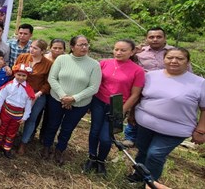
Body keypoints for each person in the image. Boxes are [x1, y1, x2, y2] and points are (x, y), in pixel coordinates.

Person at [127, 48, 205, 183]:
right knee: (143, 150)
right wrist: (132, 114)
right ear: (164, 60)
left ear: (188, 62)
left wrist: (201, 130)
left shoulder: (199, 83)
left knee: (155, 154)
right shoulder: (151, 76)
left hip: (175, 129)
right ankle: (138, 175)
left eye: (179, 58)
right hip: (145, 124)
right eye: (170, 58)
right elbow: (139, 97)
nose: (174, 61)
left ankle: (150, 182)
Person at [84, 39, 145, 176]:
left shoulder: (138, 71)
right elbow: (94, 83)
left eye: (123, 50)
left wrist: (121, 110)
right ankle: (91, 157)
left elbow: (135, 95)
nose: (118, 52)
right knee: (94, 131)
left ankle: (101, 161)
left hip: (117, 106)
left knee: (106, 137)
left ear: (132, 52)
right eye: (116, 49)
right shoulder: (104, 63)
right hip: (98, 101)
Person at [43, 35, 102, 165]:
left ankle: (60, 150)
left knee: (67, 128)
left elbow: (94, 87)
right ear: (72, 46)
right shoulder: (62, 59)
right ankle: (47, 146)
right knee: (52, 124)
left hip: (79, 104)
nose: (84, 47)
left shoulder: (94, 65)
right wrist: (63, 96)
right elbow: (52, 78)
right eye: (81, 45)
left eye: (86, 44)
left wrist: (74, 98)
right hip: (57, 99)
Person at [123, 27, 176, 148]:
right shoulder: (140, 52)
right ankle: (130, 137)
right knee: (134, 110)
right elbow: (130, 65)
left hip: (166, 89)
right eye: (151, 37)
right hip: (143, 86)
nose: (155, 39)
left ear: (164, 38)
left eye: (158, 37)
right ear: (147, 39)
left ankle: (155, 138)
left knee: (161, 112)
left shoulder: (174, 52)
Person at [15, 39, 53, 155]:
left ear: (42, 51)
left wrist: (39, 93)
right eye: (31, 47)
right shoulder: (23, 57)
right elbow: (15, 70)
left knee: (31, 118)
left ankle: (23, 143)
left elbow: (48, 82)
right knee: (15, 114)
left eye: (35, 48)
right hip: (19, 91)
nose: (31, 49)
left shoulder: (48, 64)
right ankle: (10, 137)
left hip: (37, 95)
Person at [0, 64, 35, 159]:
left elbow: (28, 105)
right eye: (19, 75)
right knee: (1, 128)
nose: (21, 77)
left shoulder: (28, 90)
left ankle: (6, 148)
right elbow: (1, 98)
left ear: (27, 76)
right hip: (5, 112)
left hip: (17, 115)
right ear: (15, 74)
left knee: (12, 131)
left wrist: (25, 117)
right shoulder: (9, 85)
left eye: (24, 76)